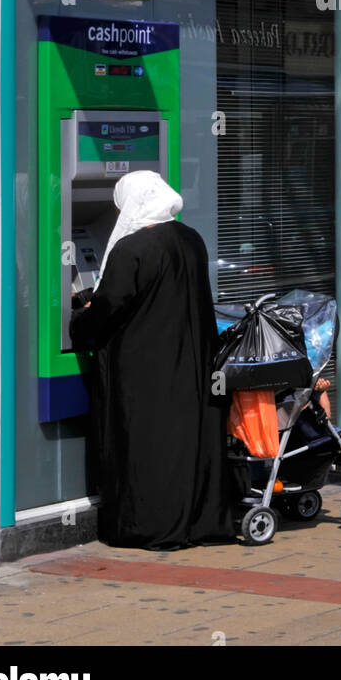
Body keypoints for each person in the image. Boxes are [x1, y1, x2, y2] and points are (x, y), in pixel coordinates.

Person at [70, 170, 241, 550]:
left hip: (145, 369)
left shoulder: (132, 249)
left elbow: (110, 305)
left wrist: (79, 324)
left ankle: (150, 525)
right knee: (184, 444)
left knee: (148, 446)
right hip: (190, 363)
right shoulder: (189, 238)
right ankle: (195, 522)